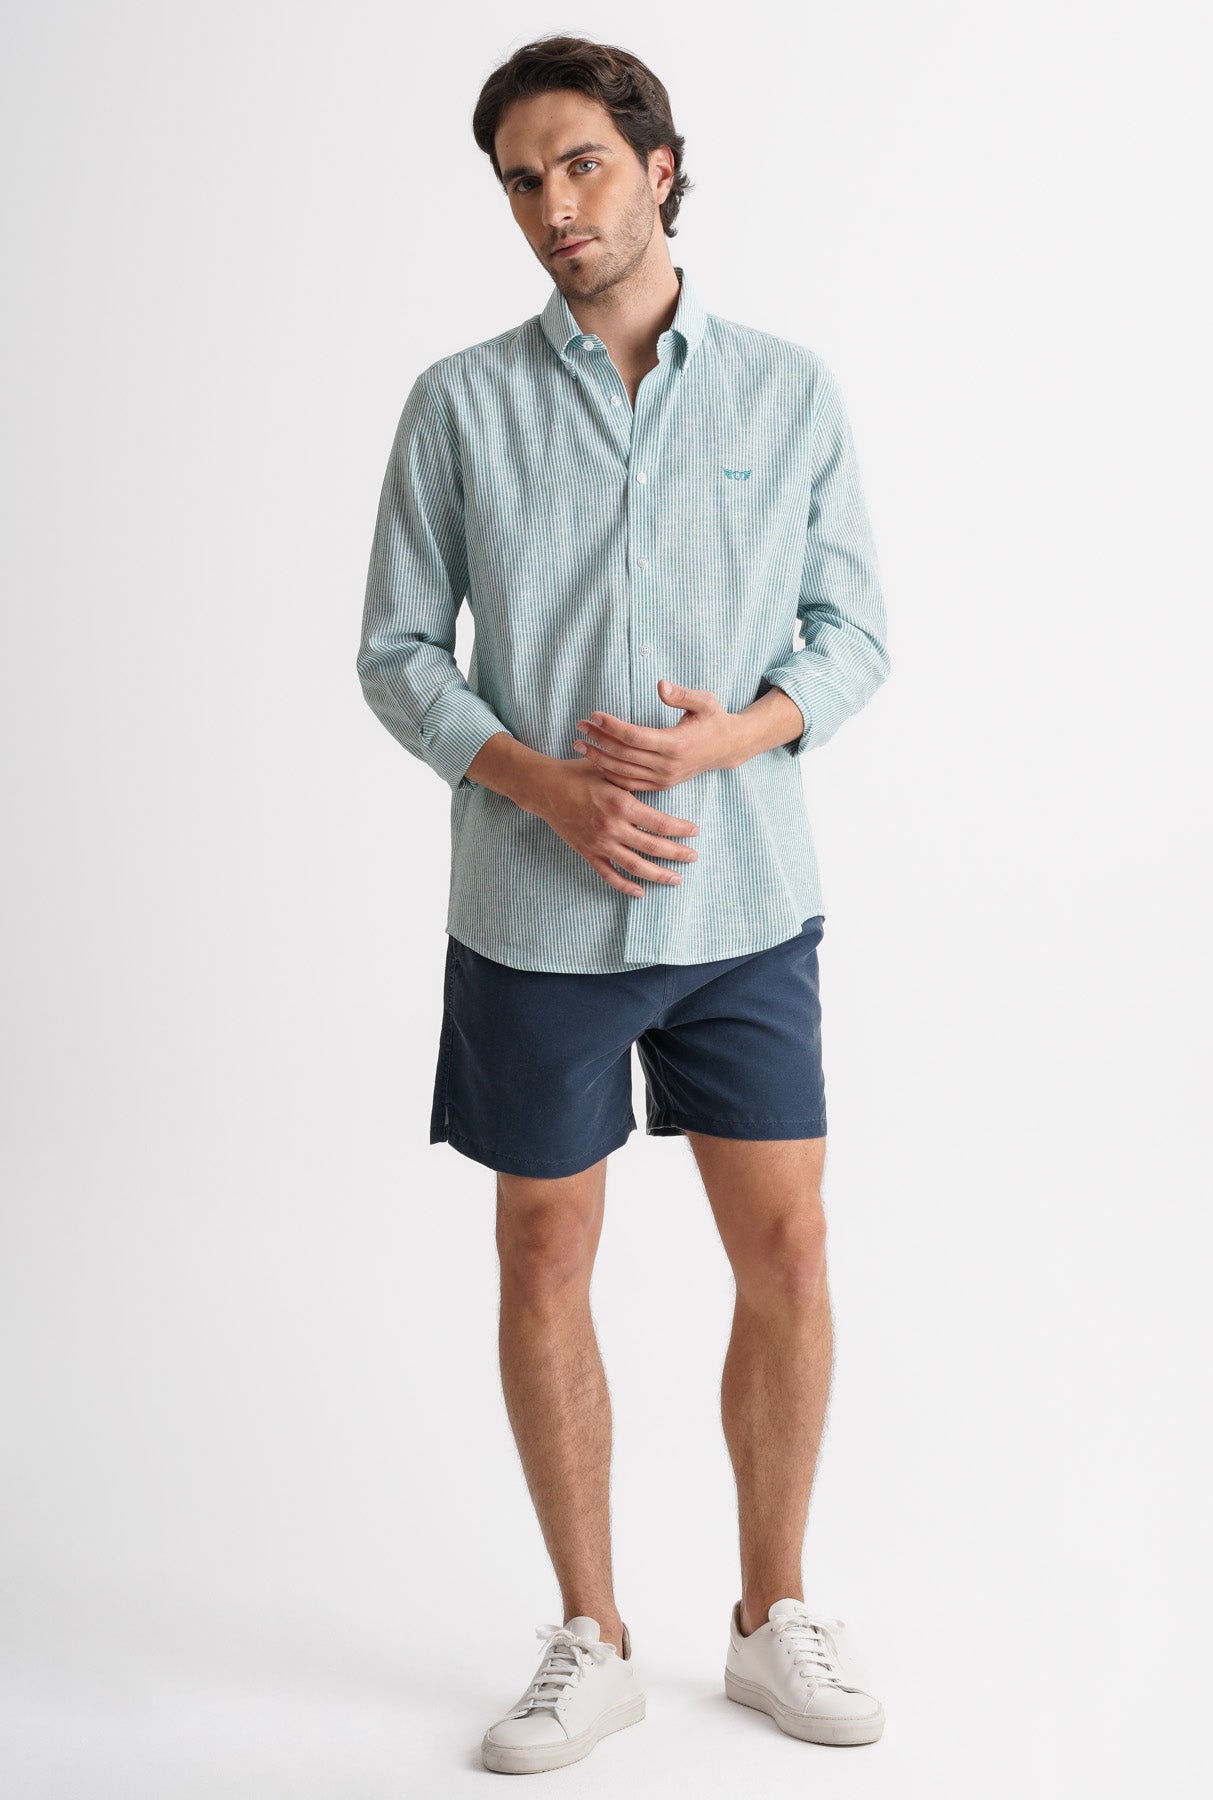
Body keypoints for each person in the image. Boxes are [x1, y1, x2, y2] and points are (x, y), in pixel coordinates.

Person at [356, 32, 891, 1776]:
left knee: (788, 1250)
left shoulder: (788, 391)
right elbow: (397, 656)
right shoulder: (458, 404)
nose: (552, 206)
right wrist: (548, 787)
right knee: (542, 1251)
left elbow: (853, 636)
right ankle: (588, 1637)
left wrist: (731, 735)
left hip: (745, 905)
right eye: (521, 180)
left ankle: (771, 1614)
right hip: (535, 915)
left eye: (580, 163)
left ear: (659, 167)